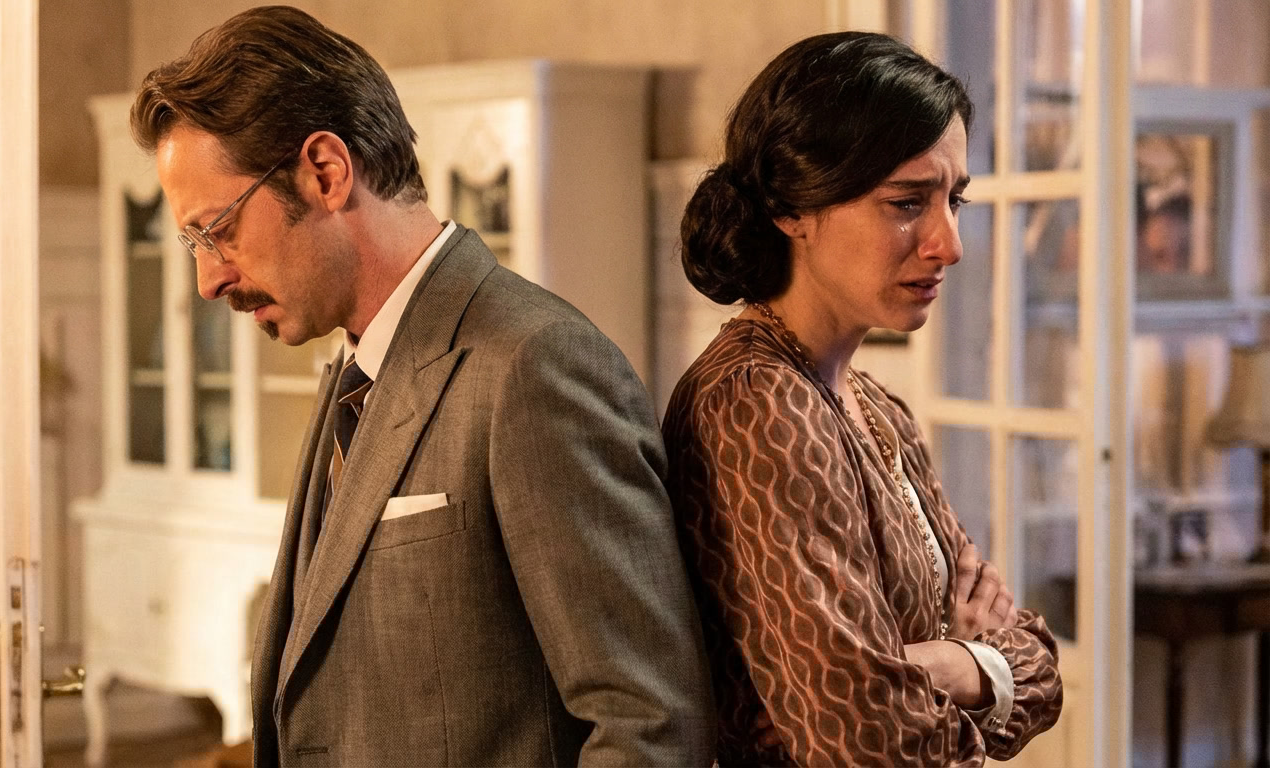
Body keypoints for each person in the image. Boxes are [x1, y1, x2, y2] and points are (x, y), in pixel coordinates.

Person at [131, 6, 715, 766]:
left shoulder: (535, 365)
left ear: (326, 172)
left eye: (217, 230)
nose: (207, 280)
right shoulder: (352, 373)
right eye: (191, 243)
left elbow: (651, 725)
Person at [662, 31, 1063, 766]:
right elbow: (869, 741)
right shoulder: (757, 404)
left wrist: (942, 662)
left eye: (955, 199)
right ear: (792, 208)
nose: (948, 243)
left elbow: (1040, 666)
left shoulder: (877, 406)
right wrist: (968, 659)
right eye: (907, 202)